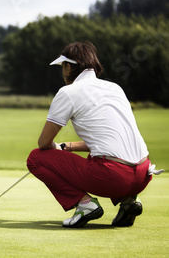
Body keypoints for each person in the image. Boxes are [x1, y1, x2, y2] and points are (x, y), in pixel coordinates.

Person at [27, 41, 164, 228]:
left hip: (113, 177)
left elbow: (44, 143)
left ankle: (85, 204)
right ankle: (128, 202)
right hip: (142, 175)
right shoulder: (115, 88)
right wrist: (66, 147)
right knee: (99, 155)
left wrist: (55, 149)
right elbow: (108, 139)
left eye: (62, 67)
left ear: (68, 67)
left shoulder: (68, 92)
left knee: (36, 158)